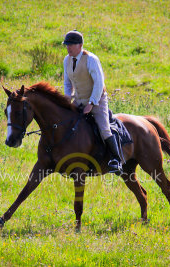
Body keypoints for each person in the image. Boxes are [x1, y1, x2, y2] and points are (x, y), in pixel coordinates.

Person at [62, 30, 122, 174]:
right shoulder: (67, 60)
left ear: (80, 45)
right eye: (67, 45)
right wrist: (67, 97)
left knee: (104, 128)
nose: (68, 48)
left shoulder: (91, 59)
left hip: (97, 100)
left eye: (71, 45)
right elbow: (67, 82)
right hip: (79, 99)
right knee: (64, 122)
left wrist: (91, 103)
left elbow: (99, 84)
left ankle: (116, 160)